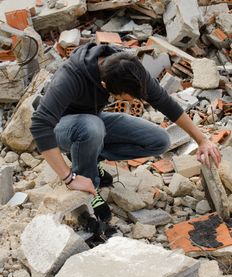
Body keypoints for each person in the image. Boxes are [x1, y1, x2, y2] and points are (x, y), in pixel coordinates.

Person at [30, 43, 221, 222]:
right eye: (125, 98)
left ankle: (88, 155)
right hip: (61, 128)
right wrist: (68, 178)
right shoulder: (71, 77)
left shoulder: (129, 67)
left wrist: (202, 140)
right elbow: (39, 124)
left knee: (160, 141)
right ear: (105, 85)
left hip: (92, 121)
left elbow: (165, 102)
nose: (131, 103)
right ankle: (87, 188)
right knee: (91, 127)